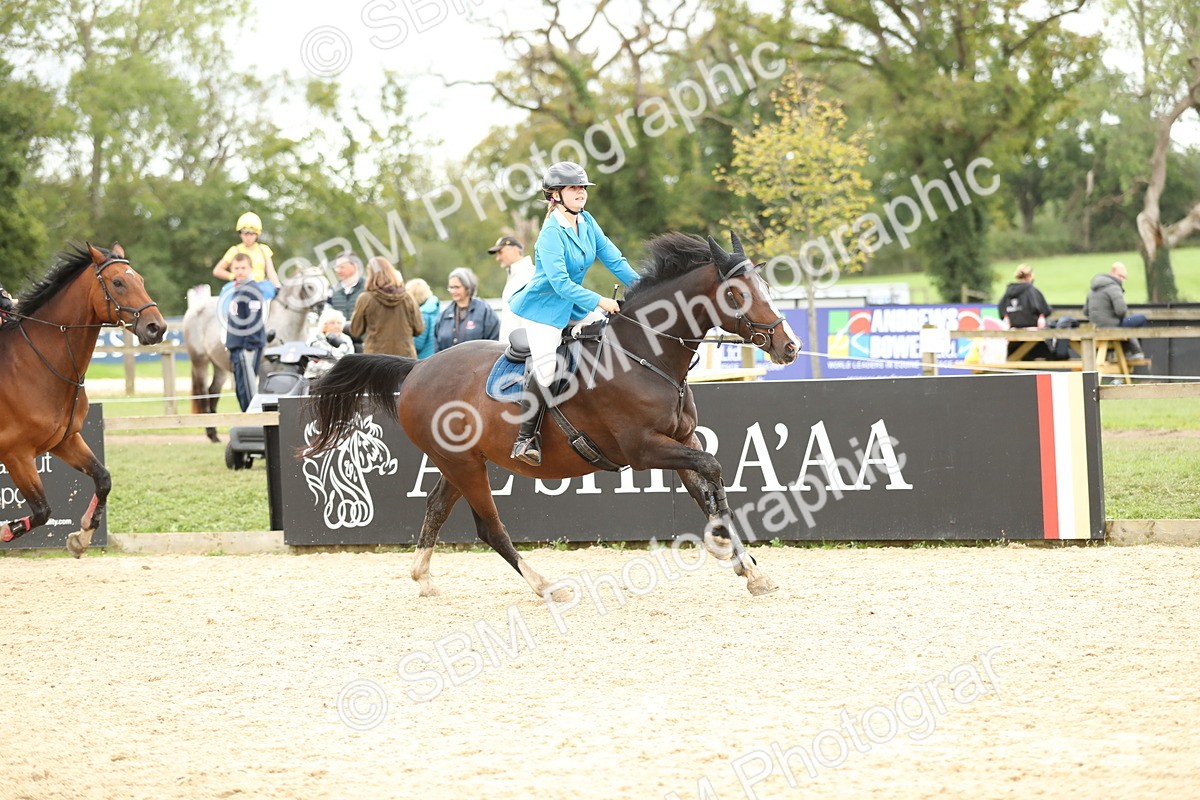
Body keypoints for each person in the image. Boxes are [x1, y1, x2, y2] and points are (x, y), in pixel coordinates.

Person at [506, 160, 640, 465]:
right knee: (547, 370)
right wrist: (600, 301)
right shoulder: (550, 234)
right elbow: (561, 284)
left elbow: (614, 259)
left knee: (611, 339)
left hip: (575, 305)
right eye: (573, 188)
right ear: (556, 195)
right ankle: (525, 438)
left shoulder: (587, 221)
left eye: (582, 187)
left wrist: (644, 287)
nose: (580, 192)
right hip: (546, 309)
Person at [219, 253, 276, 412]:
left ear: (251, 269)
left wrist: (249, 346)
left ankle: (254, 425)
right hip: (237, 345)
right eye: (236, 268)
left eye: (243, 268)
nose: (240, 271)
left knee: (248, 389)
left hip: (247, 347)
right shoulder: (238, 288)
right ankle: (247, 422)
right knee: (241, 389)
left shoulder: (252, 289)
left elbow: (253, 321)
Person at [349, 256, 424, 358]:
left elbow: (355, 330)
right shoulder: (407, 297)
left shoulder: (365, 299)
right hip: (405, 358)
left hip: (376, 359)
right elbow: (419, 328)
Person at [1083, 261, 1148, 359]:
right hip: (1113, 326)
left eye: (1124, 278)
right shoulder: (1114, 287)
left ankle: (1119, 352)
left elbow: (1085, 311)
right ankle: (1133, 352)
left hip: (1096, 328)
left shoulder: (1092, 289)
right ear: (1112, 272)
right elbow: (1121, 311)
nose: (1122, 280)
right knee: (1141, 318)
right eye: (1120, 276)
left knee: (1126, 324)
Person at [434, 267, 500, 352]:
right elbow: (436, 346)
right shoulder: (444, 315)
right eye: (451, 287)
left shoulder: (485, 312)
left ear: (467, 287)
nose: (453, 291)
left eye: (457, 287)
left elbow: (494, 343)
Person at [998, 264, 1053, 360]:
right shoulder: (1032, 290)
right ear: (1029, 276)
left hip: (1013, 339)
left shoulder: (1008, 292)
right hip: (1034, 339)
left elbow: (1001, 311)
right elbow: (1045, 310)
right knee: (1052, 356)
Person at [487, 235, 535, 344]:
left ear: (514, 249)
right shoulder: (515, 276)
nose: (498, 258)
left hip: (522, 349)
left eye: (500, 252)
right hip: (512, 348)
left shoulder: (529, 274)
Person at [212, 212, 280, 288]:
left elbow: (271, 272)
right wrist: (234, 276)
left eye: (251, 234)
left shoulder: (264, 249)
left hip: (261, 287)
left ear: (257, 234)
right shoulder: (234, 250)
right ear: (240, 234)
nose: (248, 237)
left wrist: (277, 286)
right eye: (245, 234)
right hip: (241, 286)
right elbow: (217, 271)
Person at [328, 251, 367, 351]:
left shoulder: (369, 288)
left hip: (365, 346)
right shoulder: (332, 291)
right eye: (336, 267)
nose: (338, 270)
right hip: (340, 348)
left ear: (355, 266)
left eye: (342, 267)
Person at [406, 278, 441, 359]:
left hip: (423, 360)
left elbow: (418, 344)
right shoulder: (435, 309)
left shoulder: (423, 314)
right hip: (435, 357)